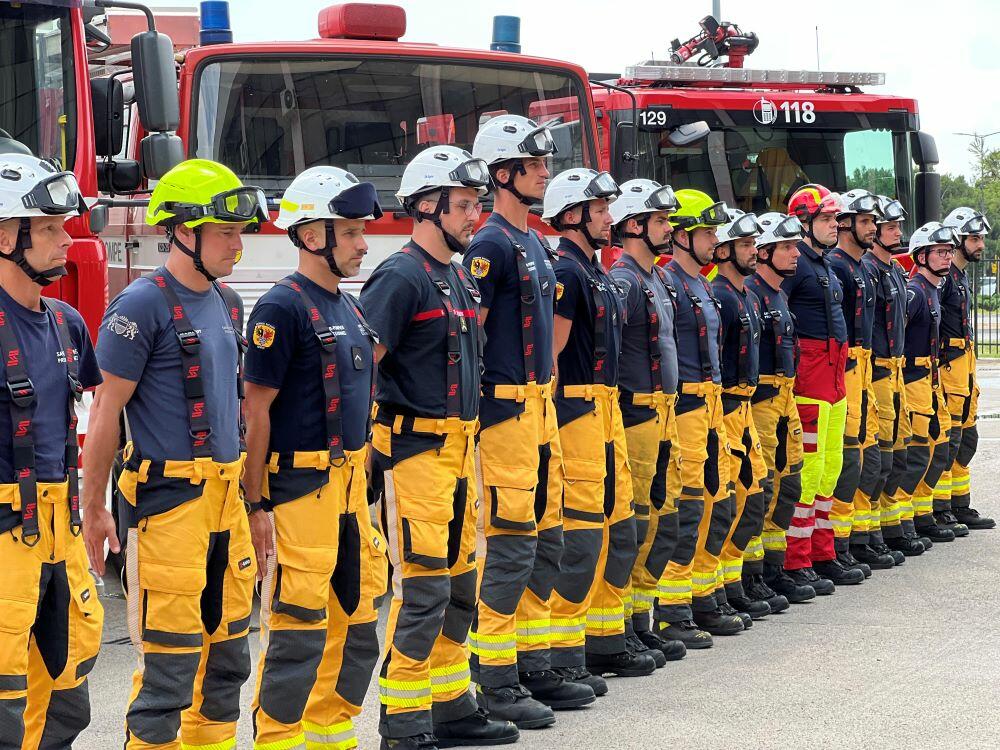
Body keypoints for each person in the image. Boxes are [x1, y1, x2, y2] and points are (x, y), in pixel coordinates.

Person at [82, 159, 268, 750]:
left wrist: (254, 505)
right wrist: (94, 507)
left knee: (228, 662)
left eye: (239, 233)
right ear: (183, 230)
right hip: (169, 509)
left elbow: (234, 412)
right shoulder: (140, 306)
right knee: (170, 668)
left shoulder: (229, 303)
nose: (237, 246)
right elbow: (106, 412)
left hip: (225, 505)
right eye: (225, 233)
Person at [361, 145, 518, 750]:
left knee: (458, 587)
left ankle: (451, 706)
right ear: (427, 206)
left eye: (478, 204)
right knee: (423, 591)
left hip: (458, 455)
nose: (476, 215)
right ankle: (403, 722)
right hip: (415, 456)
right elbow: (362, 370)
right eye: (464, 204)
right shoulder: (400, 278)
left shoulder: (454, 276)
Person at [244, 166, 387, 750]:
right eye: (350, 232)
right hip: (300, 493)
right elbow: (256, 413)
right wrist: (255, 504)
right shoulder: (280, 308)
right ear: (310, 236)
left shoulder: (349, 308)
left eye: (360, 232)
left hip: (350, 495)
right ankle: (279, 738)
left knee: (356, 626)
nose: (363, 244)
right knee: (298, 633)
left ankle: (331, 734)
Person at [464, 116, 593, 727]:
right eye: (534, 164)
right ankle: (494, 678)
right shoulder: (489, 246)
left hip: (540, 411)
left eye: (543, 164)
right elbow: (473, 339)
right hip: (506, 415)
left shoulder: (534, 244)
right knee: (510, 546)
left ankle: (534, 663)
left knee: (547, 540)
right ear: (502, 174)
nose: (545, 172)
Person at [0, 153, 103, 750]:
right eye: (48, 228)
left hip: (60, 532)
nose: (66, 239)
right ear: (5, 238)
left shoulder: (67, 324)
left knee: (66, 697)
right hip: (6, 535)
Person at [544, 168, 657, 681]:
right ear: (573, 215)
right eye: (600, 210)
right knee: (581, 538)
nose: (610, 218)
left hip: (606, 412)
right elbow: (552, 355)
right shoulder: (567, 274)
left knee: (619, 530)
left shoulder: (593, 271)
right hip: (576, 413)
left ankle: (607, 638)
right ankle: (566, 653)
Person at [657, 188, 744, 644]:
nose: (715, 240)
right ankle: (674, 610)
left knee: (718, 502)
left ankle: (705, 595)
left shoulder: (704, 285)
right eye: (707, 232)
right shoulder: (668, 283)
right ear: (681, 236)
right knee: (689, 507)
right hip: (685, 408)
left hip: (712, 405)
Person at [607, 179, 689, 662]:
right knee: (635, 526)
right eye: (659, 221)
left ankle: (642, 619)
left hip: (664, 414)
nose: (667, 229)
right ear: (634, 225)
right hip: (636, 415)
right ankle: (619, 628)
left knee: (661, 522)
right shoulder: (624, 281)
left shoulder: (656, 278)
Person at [783, 184, 862, 593]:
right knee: (809, 470)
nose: (836, 225)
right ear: (803, 222)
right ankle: (796, 560)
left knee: (830, 467)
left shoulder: (826, 265)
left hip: (834, 375)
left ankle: (822, 552)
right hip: (809, 376)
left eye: (836, 218)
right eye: (828, 218)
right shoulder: (795, 267)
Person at [711, 209, 786, 620]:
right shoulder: (719, 296)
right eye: (744, 245)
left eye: (754, 244)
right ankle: (723, 588)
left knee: (754, 495)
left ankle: (738, 580)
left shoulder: (747, 296)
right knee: (731, 501)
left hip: (745, 407)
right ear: (723, 251)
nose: (753, 251)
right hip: (724, 407)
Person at [827, 189, 904, 578]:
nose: (873, 228)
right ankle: (841, 544)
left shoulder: (861, 268)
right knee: (849, 461)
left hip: (867, 370)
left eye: (875, 221)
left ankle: (861, 537)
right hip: (845, 371)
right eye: (866, 221)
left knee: (870, 460)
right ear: (844, 225)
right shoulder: (837, 267)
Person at [746, 213, 816, 603]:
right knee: (763, 487)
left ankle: (775, 569)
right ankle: (751, 575)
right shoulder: (751, 293)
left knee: (789, 483)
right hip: (760, 401)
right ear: (764, 252)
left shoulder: (778, 294)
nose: (796, 254)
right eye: (787, 247)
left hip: (784, 397)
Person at [898, 223, 962, 558]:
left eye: (949, 251)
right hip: (912, 380)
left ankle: (921, 515)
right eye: (940, 252)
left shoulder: (933, 290)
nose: (947, 257)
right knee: (918, 452)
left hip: (931, 379)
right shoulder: (914, 293)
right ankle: (902, 523)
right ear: (921, 256)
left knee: (940, 447)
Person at [856, 196, 911, 567]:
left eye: (895, 227)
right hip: (873, 371)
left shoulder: (893, 270)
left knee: (893, 454)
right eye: (890, 227)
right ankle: (866, 537)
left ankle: (884, 530)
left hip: (894, 371)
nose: (895, 233)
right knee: (873, 459)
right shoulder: (869, 269)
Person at [936, 207, 995, 530]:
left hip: (965, 364)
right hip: (948, 367)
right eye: (974, 238)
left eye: (981, 238)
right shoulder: (944, 279)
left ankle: (960, 504)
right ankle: (939, 508)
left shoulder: (958, 277)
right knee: (949, 439)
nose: (981, 245)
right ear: (957, 239)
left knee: (966, 439)